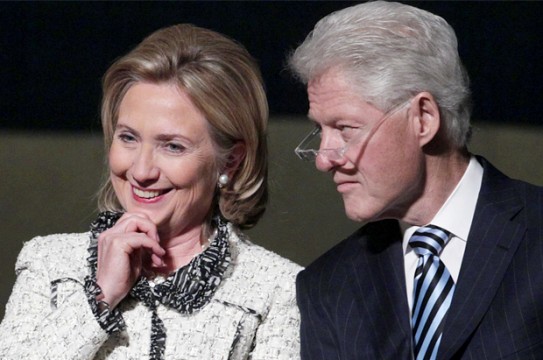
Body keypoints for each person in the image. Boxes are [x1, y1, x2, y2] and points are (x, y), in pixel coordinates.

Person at [0, 24, 301, 359]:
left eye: (172, 146)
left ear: (230, 160)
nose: (141, 171)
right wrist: (98, 298)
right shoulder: (49, 264)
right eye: (128, 137)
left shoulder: (278, 290)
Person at [288, 1, 543, 359]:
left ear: (422, 118)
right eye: (320, 130)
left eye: (345, 129)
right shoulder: (328, 287)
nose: (323, 158)